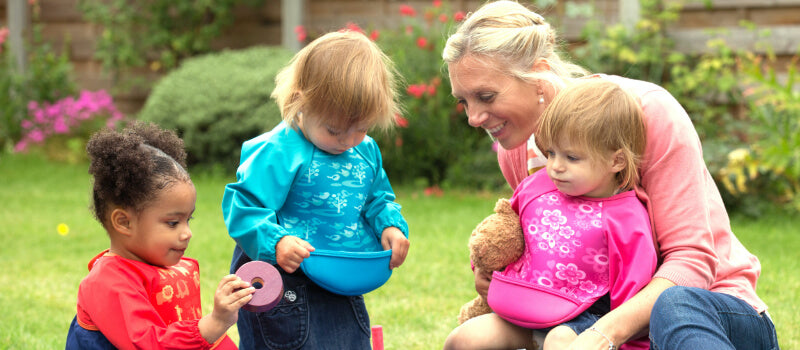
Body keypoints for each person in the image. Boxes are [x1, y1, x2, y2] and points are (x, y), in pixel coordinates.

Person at [442, 1, 778, 350]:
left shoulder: (646, 111)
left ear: (538, 75)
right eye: (464, 102)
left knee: (673, 306)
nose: (474, 117)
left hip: (704, 312)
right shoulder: (516, 151)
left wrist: (602, 335)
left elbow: (691, 262)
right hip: (584, 314)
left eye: (486, 96)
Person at [221, 30, 411, 349]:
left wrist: (390, 224)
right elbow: (245, 206)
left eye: (361, 128)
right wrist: (276, 241)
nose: (348, 140)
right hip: (285, 279)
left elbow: (377, 198)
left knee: (345, 339)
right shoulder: (280, 150)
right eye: (334, 129)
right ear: (300, 100)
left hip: (339, 272)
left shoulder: (365, 150)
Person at [478, 79, 657, 350]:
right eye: (551, 152)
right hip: (525, 306)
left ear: (616, 161)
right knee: (465, 339)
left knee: (559, 341)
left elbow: (632, 296)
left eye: (572, 158)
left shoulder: (627, 219)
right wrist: (483, 267)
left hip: (586, 317)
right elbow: (504, 230)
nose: (555, 167)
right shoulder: (536, 188)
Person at [66, 122, 255, 350]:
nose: (187, 233)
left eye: (188, 220)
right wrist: (214, 323)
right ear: (124, 222)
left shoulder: (165, 268)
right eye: (173, 223)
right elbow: (147, 344)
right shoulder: (106, 282)